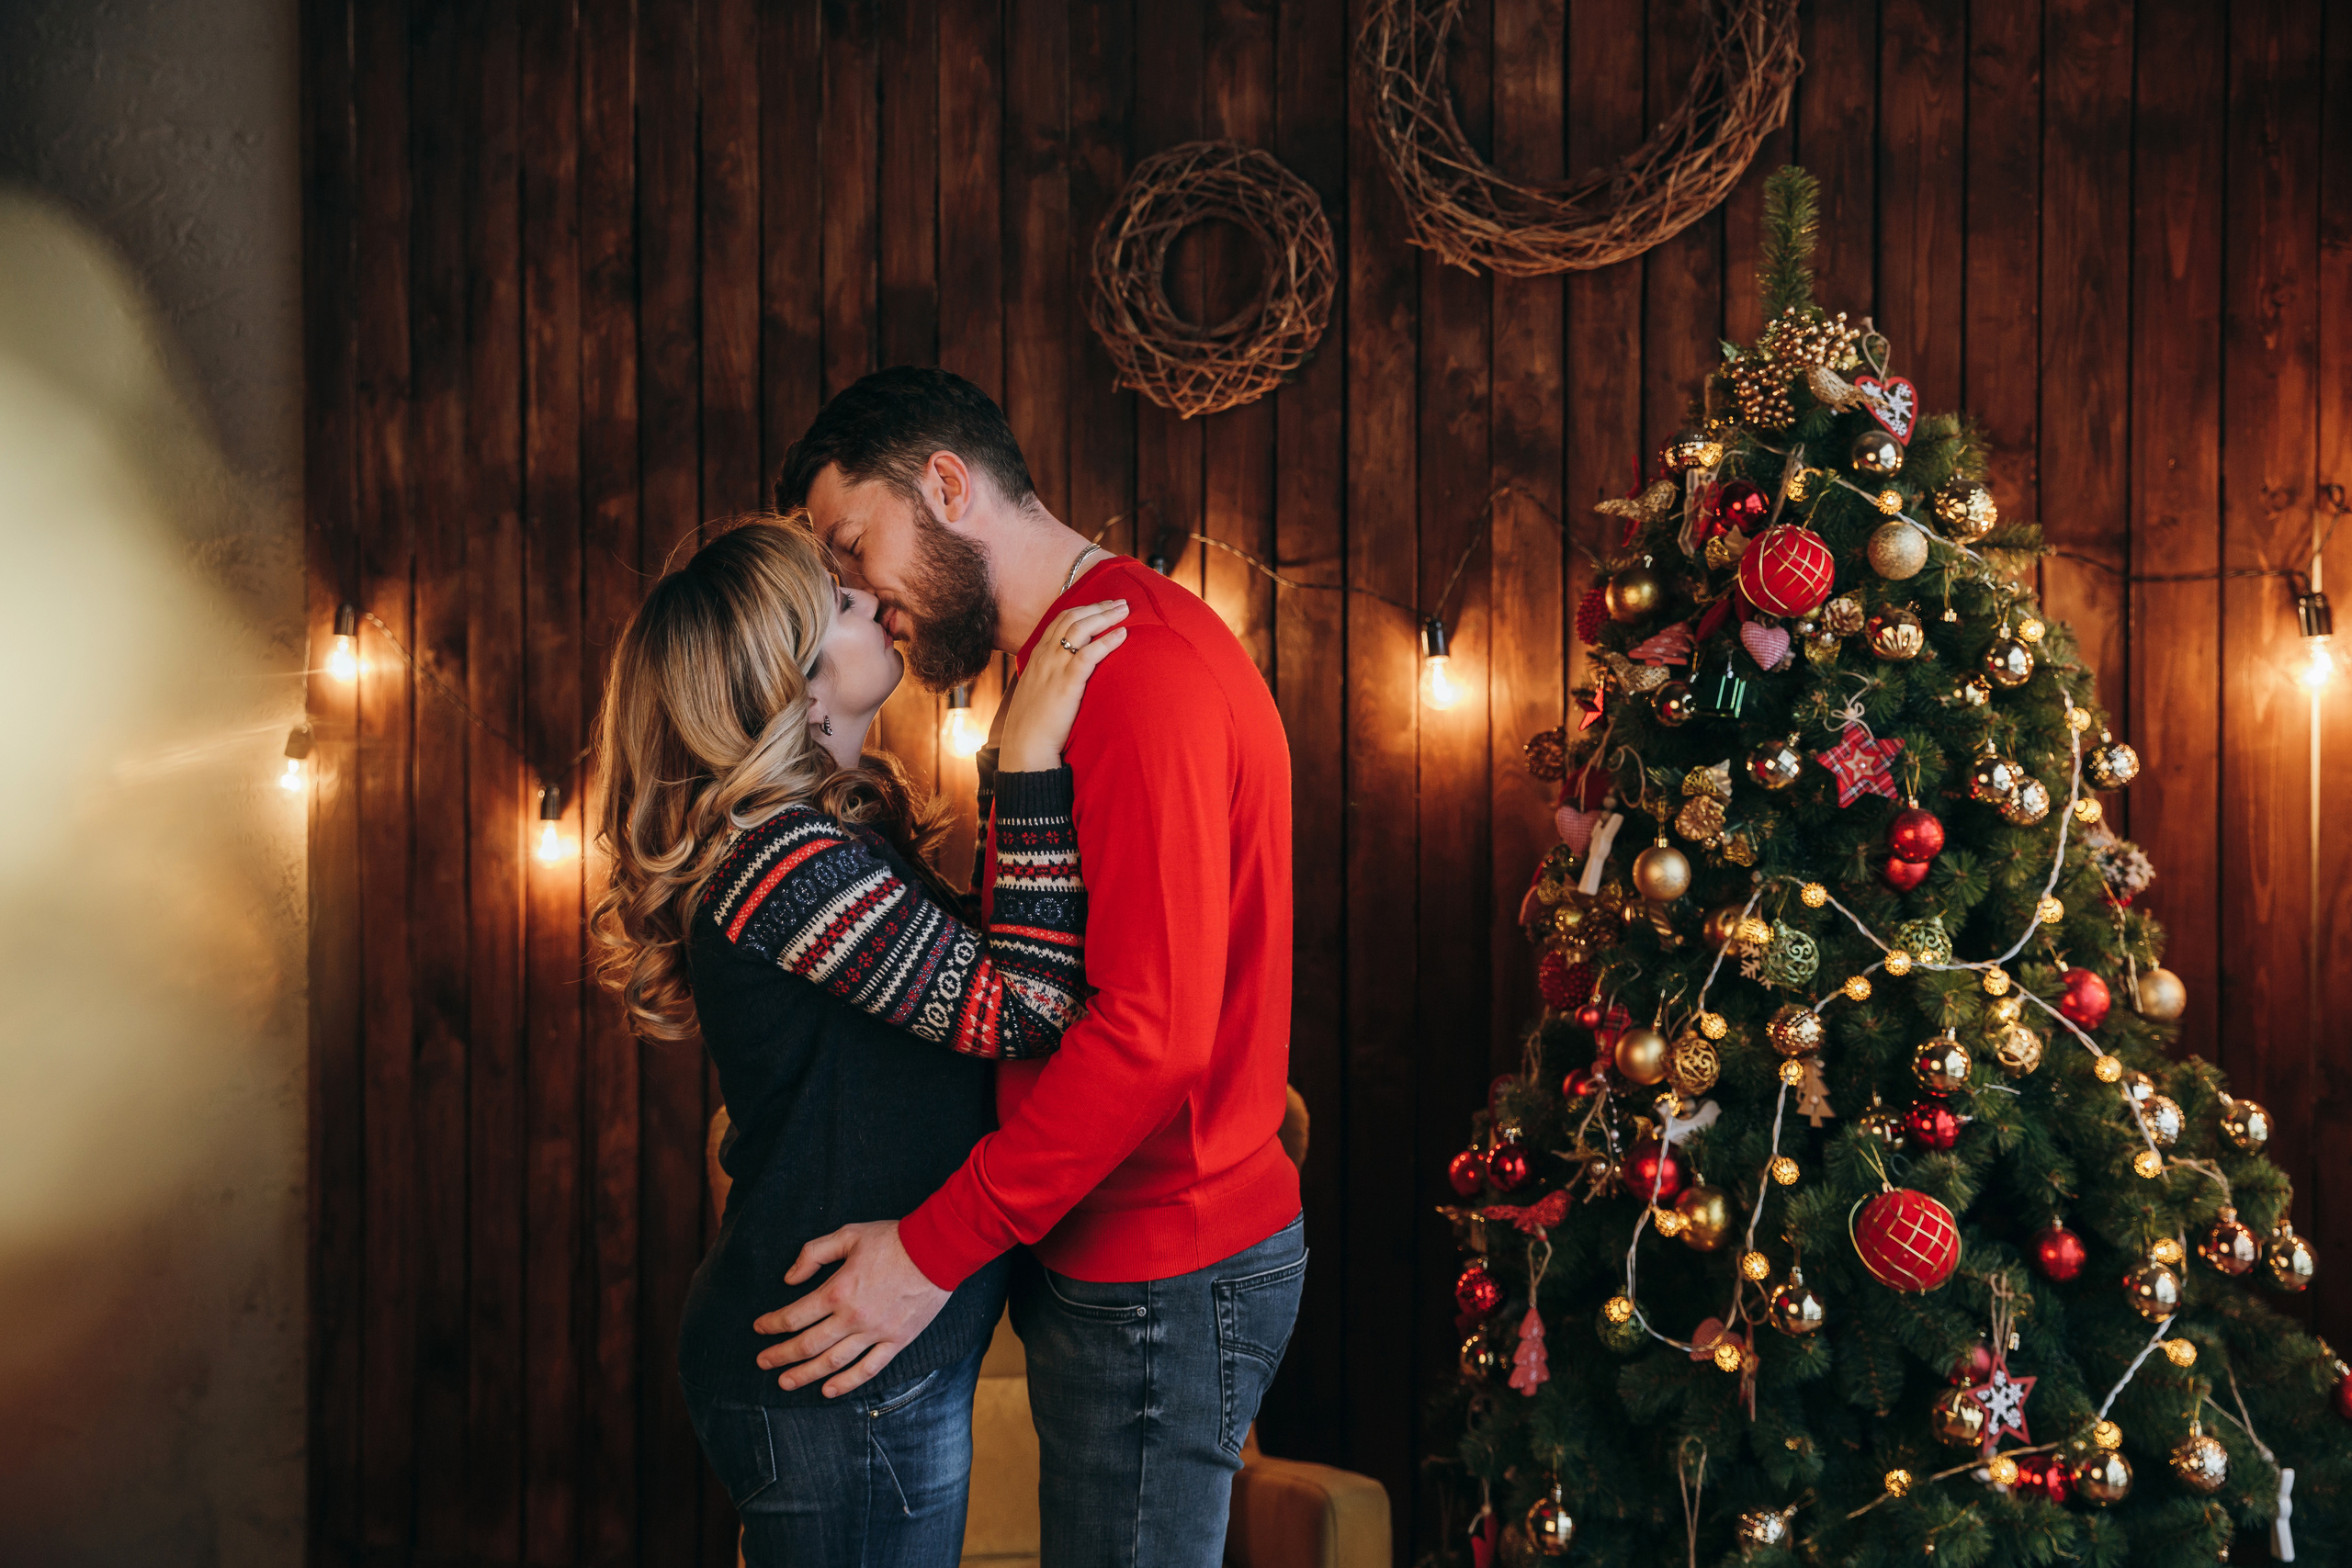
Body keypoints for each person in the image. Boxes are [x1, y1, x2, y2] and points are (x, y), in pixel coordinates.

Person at [763, 367, 1306, 1568]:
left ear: (947, 486)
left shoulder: (1136, 672)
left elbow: (1147, 1036)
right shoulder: (1061, 672)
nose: (855, 597)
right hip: (1113, 1248)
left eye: (856, 545)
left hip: (1161, 1264)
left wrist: (928, 1252)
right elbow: (1033, 978)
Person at [589, 514, 1128, 1566]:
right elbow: (1022, 1009)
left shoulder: (818, 840)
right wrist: (1022, 761)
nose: (876, 602)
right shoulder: (780, 862)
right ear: (787, 683)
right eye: (840, 605)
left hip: (855, 1366)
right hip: (838, 1378)